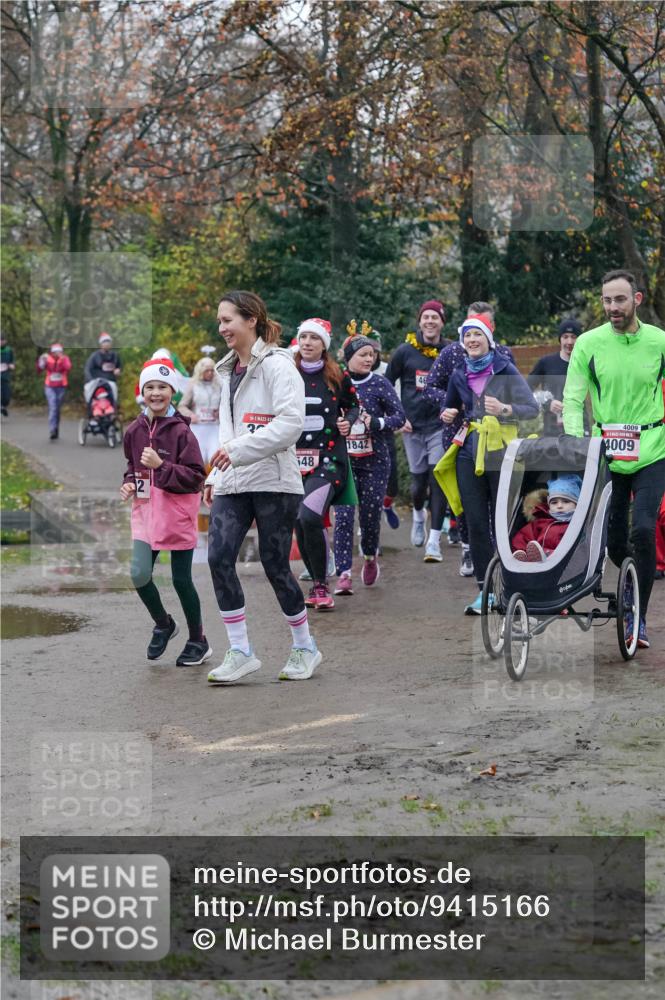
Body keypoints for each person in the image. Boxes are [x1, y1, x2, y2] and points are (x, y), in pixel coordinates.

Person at [204, 290, 320, 683]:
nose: (221, 328)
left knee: (275, 565)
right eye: (219, 322)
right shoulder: (226, 370)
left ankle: (305, 647)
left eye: (227, 320)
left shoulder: (278, 365)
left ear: (251, 319)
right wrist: (214, 474)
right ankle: (240, 651)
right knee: (218, 557)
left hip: (274, 481)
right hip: (233, 481)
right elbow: (226, 431)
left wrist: (237, 451)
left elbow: (290, 424)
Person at [563, 268, 665, 649]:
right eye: (607, 300)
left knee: (643, 530)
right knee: (614, 540)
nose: (612, 307)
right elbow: (573, 397)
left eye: (619, 299)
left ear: (636, 300)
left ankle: (637, 616)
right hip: (606, 448)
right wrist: (577, 444)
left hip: (654, 447)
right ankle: (629, 584)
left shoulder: (659, 341)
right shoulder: (589, 344)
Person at [440, 314, 539, 613]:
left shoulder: (505, 369)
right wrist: (447, 414)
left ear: (488, 339)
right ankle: (486, 591)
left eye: (477, 335)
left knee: (503, 522)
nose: (472, 340)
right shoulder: (458, 373)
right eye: (467, 336)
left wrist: (505, 408)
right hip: (469, 452)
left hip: (500, 452)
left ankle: (512, 586)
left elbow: (531, 409)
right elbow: (452, 406)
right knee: (476, 524)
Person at [120, 356, 211, 667]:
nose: (155, 393)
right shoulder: (134, 430)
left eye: (162, 387)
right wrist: (129, 484)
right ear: (142, 392)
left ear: (172, 391)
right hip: (145, 514)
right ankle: (163, 624)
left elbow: (197, 477)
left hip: (175, 515)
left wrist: (163, 467)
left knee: (181, 580)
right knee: (138, 573)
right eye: (149, 387)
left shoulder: (182, 433)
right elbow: (132, 468)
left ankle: (198, 639)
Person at [424, 301, 514, 577]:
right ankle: (468, 548)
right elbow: (431, 387)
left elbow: (518, 399)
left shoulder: (503, 357)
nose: (473, 336)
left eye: (480, 327)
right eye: (469, 327)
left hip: (495, 440)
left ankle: (503, 562)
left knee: (496, 505)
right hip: (460, 437)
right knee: (467, 502)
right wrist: (449, 407)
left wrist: (504, 408)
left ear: (491, 328)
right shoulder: (452, 354)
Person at [293, 318, 359, 610]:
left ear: (324, 345)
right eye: (303, 337)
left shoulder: (336, 374)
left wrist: (348, 421)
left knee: (309, 517)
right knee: (298, 520)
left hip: (329, 460)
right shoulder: (286, 372)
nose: (307, 342)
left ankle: (321, 584)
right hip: (291, 461)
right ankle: (317, 581)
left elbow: (354, 405)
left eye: (314, 338)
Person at [333, 335, 406, 594]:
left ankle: (369, 557)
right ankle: (343, 572)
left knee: (369, 516)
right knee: (343, 517)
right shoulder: (335, 382)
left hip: (375, 461)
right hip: (344, 461)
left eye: (371, 355)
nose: (368, 359)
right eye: (363, 354)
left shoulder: (380, 383)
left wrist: (378, 423)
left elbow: (399, 417)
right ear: (348, 357)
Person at [385, 300, 450, 561]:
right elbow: (386, 385)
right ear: (420, 321)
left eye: (435, 317)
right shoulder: (405, 352)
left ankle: (434, 540)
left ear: (442, 322)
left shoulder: (450, 351)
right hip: (412, 426)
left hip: (440, 425)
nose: (430, 321)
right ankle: (418, 515)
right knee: (418, 484)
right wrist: (397, 417)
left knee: (438, 479)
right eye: (426, 317)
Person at [527, 318, 585, 436]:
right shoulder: (546, 363)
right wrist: (548, 403)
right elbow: (525, 390)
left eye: (574, 337)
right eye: (565, 337)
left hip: (581, 428)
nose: (569, 342)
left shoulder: (586, 364)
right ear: (560, 339)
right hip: (552, 429)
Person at [511, 475, 582, 560]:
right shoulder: (542, 521)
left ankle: (543, 556)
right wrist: (521, 551)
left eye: (566, 501)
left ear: (576, 504)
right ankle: (526, 558)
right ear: (548, 504)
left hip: (564, 562)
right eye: (554, 502)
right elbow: (523, 537)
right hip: (535, 565)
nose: (559, 506)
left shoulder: (578, 524)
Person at [177, 357, 222, 467]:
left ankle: (213, 483)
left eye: (212, 370)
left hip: (215, 428)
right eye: (207, 370)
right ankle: (198, 483)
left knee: (215, 457)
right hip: (198, 428)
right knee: (198, 458)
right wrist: (191, 415)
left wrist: (220, 411)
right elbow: (181, 406)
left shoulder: (219, 384)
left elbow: (226, 405)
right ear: (201, 371)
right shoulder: (193, 384)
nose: (210, 373)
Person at [36, 342, 72, 440]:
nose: (58, 353)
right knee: (53, 406)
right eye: (56, 352)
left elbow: (68, 368)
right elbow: (39, 369)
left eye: (60, 351)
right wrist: (41, 361)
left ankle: (56, 428)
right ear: (52, 352)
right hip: (50, 386)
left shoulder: (65, 359)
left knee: (57, 409)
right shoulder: (47, 359)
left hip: (61, 386)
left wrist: (63, 359)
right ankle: (52, 429)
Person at [0, 334, 16, 416]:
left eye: (2, 340)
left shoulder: (9, 350)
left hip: (5, 376)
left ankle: (3, 406)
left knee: (6, 397)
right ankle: (1, 407)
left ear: (5, 341)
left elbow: (12, 361)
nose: (1, 342)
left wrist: (12, 365)